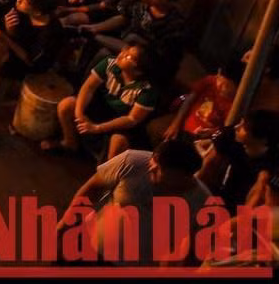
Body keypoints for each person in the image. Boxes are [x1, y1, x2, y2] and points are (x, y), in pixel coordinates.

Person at [63, 137, 212, 264]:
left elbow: (193, 250)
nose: (151, 167)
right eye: (154, 160)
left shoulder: (202, 203)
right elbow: (91, 189)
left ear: (183, 175)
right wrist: (64, 225)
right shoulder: (133, 161)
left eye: (160, 168)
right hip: (87, 245)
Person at [49, 44, 162, 158]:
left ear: (138, 71)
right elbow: (88, 88)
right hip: (101, 108)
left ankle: (104, 170)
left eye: (128, 57)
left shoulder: (147, 89)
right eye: (126, 50)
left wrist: (97, 128)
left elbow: (131, 119)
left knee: (118, 141)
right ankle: (69, 142)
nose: (122, 54)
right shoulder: (110, 63)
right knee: (66, 105)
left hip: (120, 122)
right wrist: (79, 114)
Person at [200, 109, 278, 210]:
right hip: (217, 192)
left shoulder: (272, 160)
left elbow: (257, 194)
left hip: (239, 205)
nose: (237, 127)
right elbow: (208, 165)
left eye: (244, 127)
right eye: (240, 123)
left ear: (263, 139)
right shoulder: (230, 135)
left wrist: (238, 222)